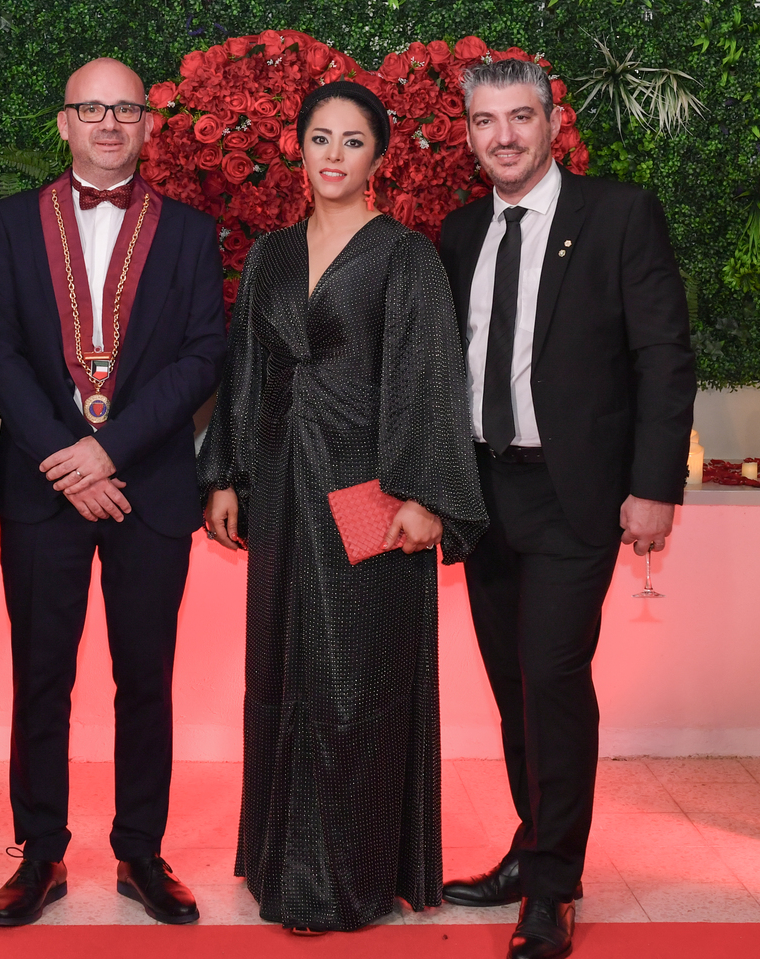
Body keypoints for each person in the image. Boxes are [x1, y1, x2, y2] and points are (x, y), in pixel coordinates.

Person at [200, 80, 488, 934]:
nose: (333, 154)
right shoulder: (271, 256)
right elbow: (244, 369)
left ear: (378, 158)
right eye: (320, 137)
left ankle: (343, 881)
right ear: (298, 147)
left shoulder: (405, 257)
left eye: (352, 141)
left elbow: (432, 378)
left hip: (371, 495)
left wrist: (425, 496)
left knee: (355, 679)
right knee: (281, 674)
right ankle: (283, 866)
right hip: (282, 492)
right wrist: (226, 475)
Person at [435, 59, 695, 959]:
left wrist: (654, 486)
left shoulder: (619, 215)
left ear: (553, 123)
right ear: (470, 133)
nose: (503, 136)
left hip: (574, 494)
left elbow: (665, 357)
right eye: (484, 121)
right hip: (481, 491)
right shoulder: (460, 231)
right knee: (512, 684)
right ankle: (532, 844)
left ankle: (552, 886)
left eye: (520, 117)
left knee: (551, 677)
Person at [0, 57, 226, 928]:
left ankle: (141, 851)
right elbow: (1, 351)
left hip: (147, 486)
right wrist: (66, 457)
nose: (110, 123)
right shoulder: (9, 223)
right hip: (43, 486)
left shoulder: (190, 231)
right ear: (64, 123)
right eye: (92, 109)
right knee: (40, 676)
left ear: (149, 124)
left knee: (146, 679)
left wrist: (108, 451)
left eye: (125, 109)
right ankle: (40, 852)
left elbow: (204, 354)